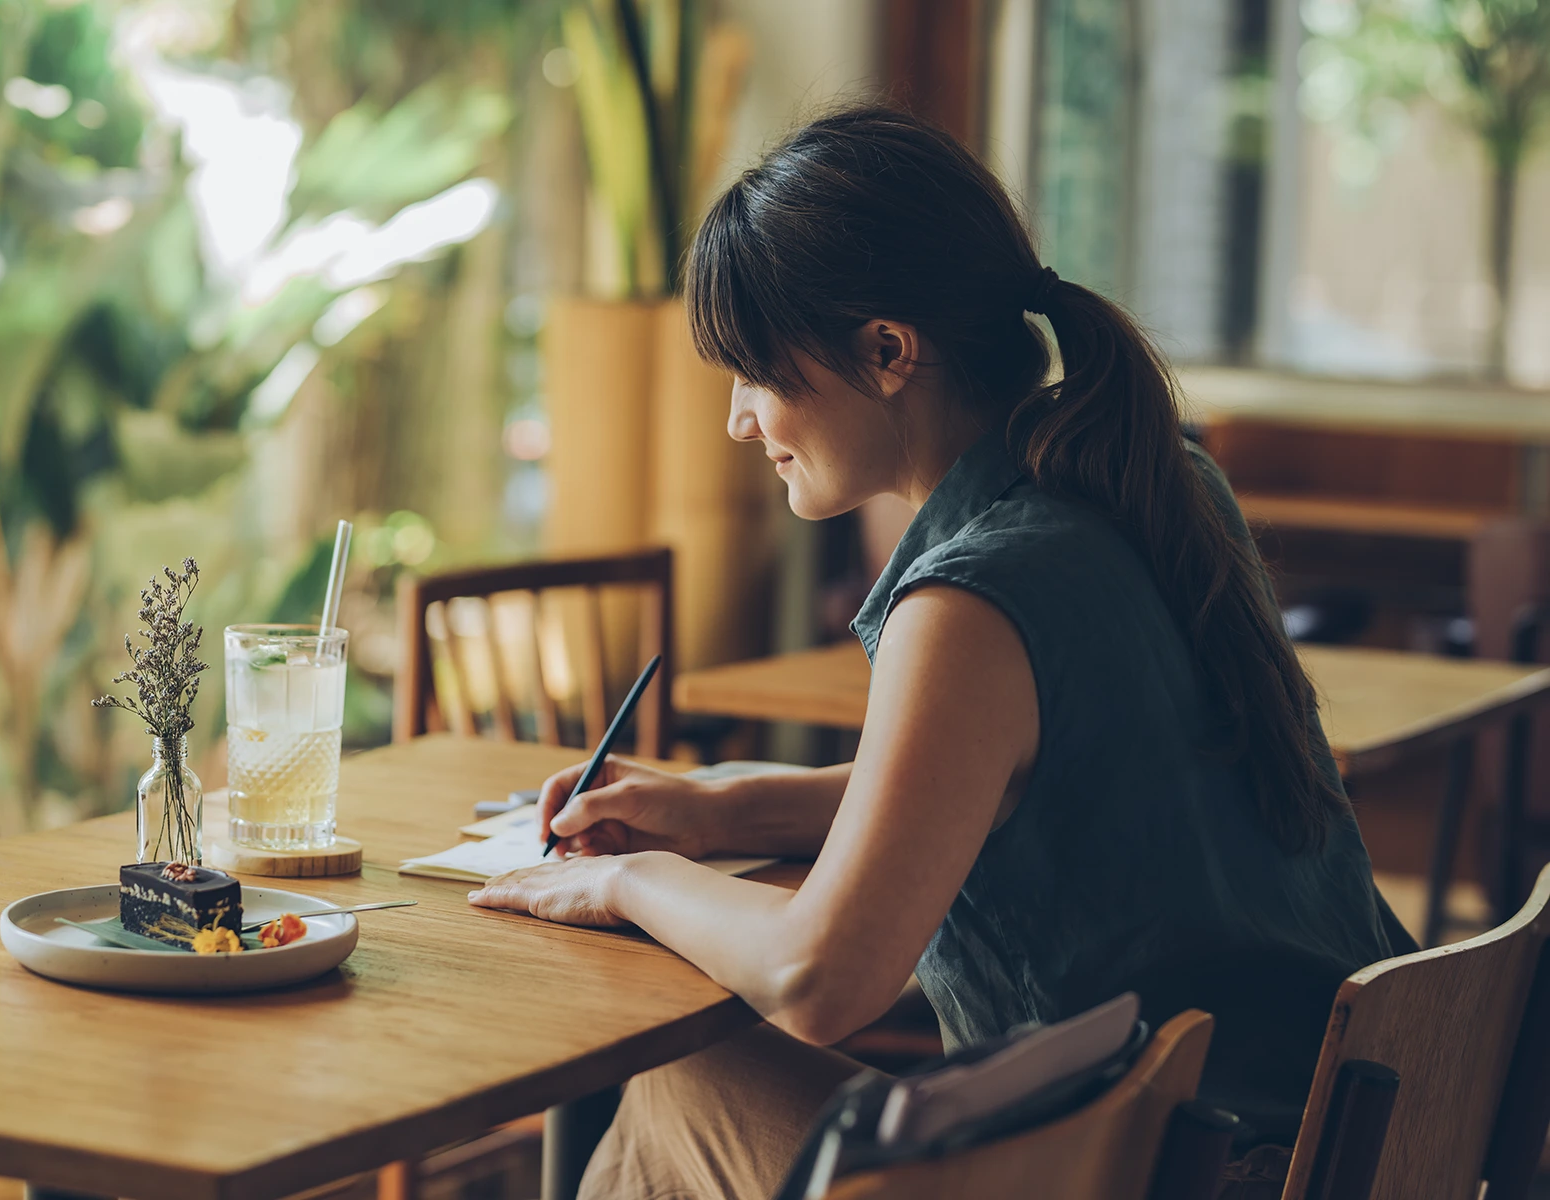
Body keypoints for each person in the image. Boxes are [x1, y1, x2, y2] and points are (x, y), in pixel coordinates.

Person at [470, 106, 1409, 1200]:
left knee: (678, 1083)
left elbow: (821, 976)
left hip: (1175, 1169)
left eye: (755, 375)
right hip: (1340, 1136)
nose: (738, 420)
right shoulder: (1154, 488)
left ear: (885, 351)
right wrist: (727, 808)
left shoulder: (971, 599)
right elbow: (1035, 787)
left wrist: (632, 879)